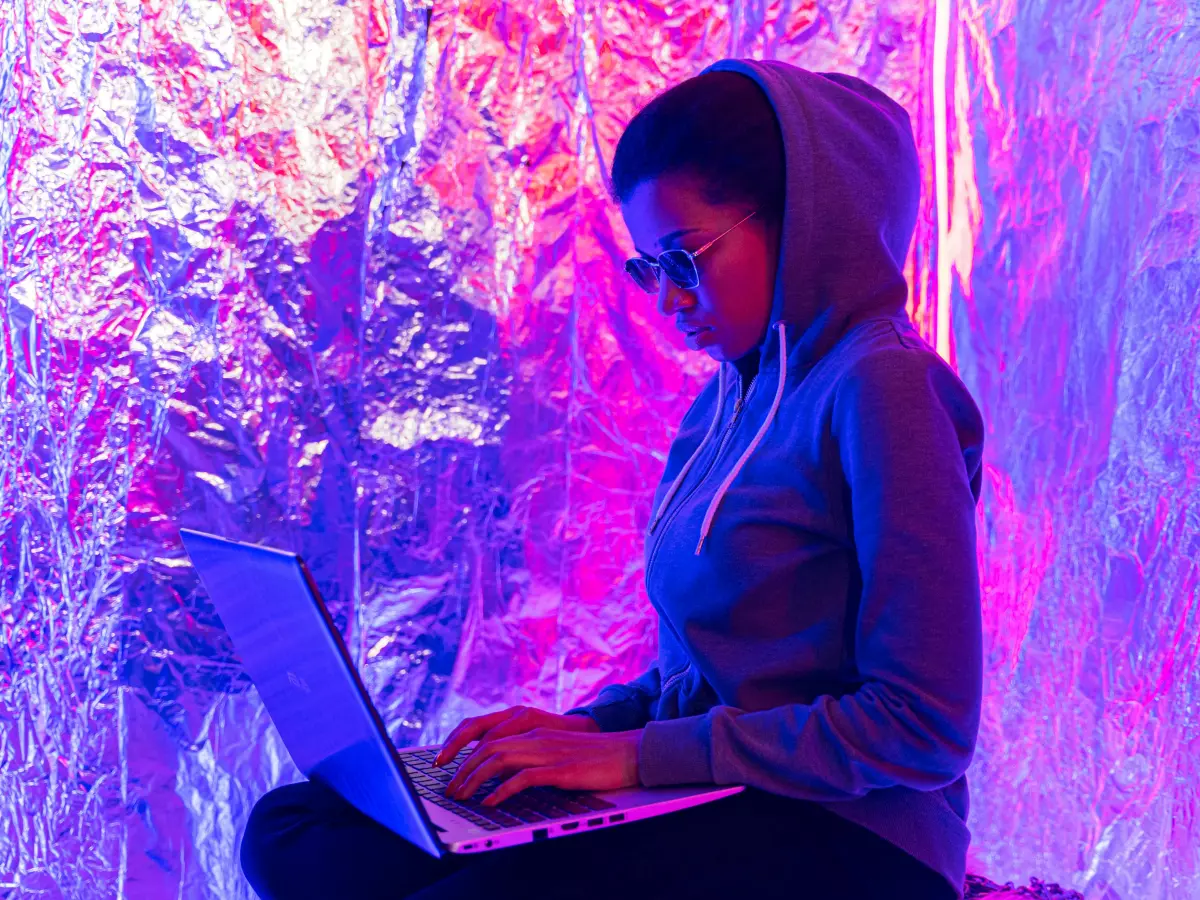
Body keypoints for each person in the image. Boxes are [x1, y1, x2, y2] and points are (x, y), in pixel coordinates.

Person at [240, 58, 984, 900]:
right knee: (296, 832)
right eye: (649, 268)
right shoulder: (728, 402)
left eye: (685, 257)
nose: (669, 300)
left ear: (808, 220)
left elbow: (922, 725)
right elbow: (705, 677)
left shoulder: (884, 387)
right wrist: (583, 728)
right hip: (717, 794)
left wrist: (627, 757)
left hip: (851, 838)